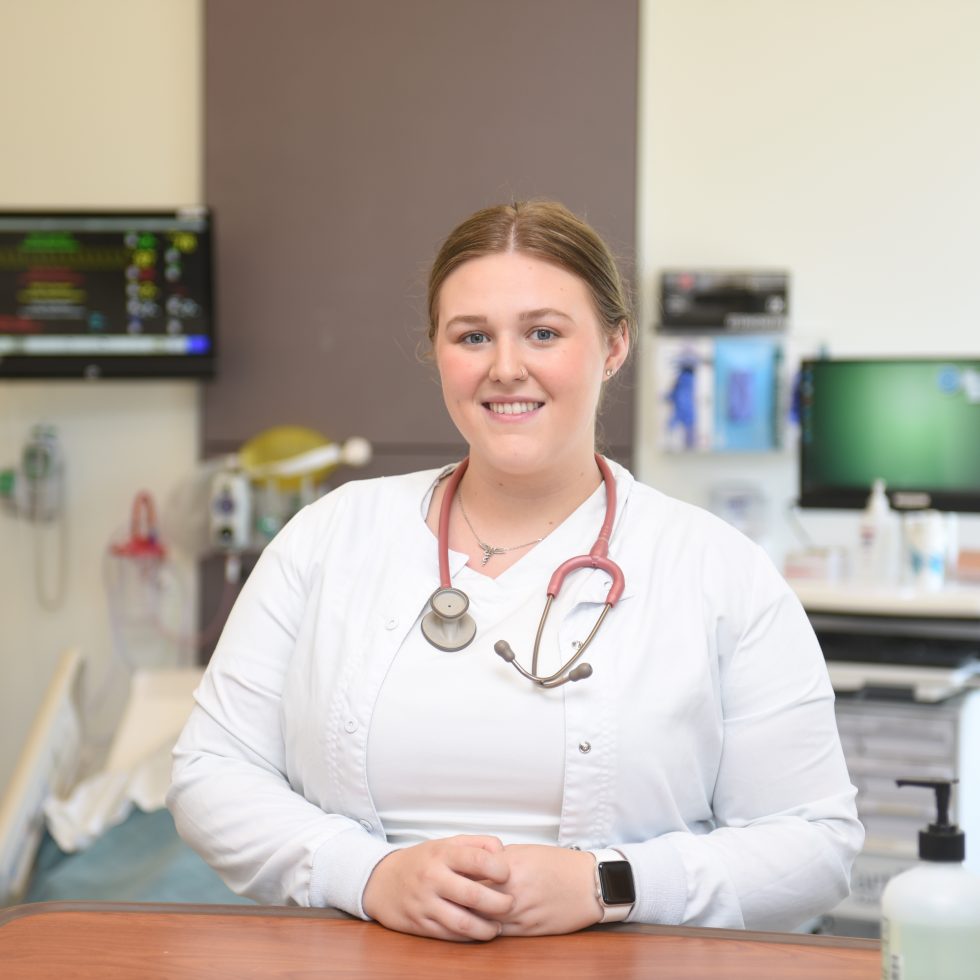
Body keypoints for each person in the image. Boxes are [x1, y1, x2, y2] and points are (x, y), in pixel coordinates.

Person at [168, 200, 863, 942]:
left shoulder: (718, 569)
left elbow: (815, 845)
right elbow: (210, 773)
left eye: (543, 333)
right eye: (472, 336)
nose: (506, 368)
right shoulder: (331, 536)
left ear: (614, 345)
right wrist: (365, 875)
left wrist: (608, 883)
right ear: (437, 351)